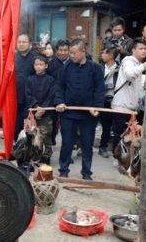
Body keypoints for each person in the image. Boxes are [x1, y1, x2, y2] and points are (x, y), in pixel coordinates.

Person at [55, 39, 105, 180]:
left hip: (88, 113)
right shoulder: (66, 68)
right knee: (66, 143)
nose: (71, 55)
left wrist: (97, 107)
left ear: (83, 52)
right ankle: (63, 171)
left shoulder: (95, 68)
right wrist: (59, 102)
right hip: (68, 112)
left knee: (87, 144)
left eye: (74, 53)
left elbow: (99, 90)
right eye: (70, 52)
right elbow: (59, 86)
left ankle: (86, 173)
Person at [111, 38, 146, 153]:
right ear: (133, 50)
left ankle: (125, 158)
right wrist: (145, 65)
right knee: (119, 132)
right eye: (141, 48)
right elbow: (130, 75)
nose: (144, 51)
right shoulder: (128, 61)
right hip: (121, 106)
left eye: (145, 49)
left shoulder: (139, 64)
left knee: (129, 133)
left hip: (131, 107)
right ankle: (117, 157)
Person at [25, 55, 55, 165]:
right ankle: (34, 156)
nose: (38, 67)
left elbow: (51, 95)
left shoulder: (51, 80)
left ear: (46, 66)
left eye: (41, 65)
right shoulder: (29, 79)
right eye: (36, 64)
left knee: (46, 135)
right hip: (33, 113)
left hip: (46, 113)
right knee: (32, 135)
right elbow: (28, 95)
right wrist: (36, 107)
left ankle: (46, 157)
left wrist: (43, 109)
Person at [15, 34, 39, 140]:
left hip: (32, 97)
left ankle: (31, 150)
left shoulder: (36, 57)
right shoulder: (13, 57)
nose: (21, 44)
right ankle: (17, 148)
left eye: (24, 42)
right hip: (16, 96)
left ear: (29, 44)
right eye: (19, 42)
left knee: (31, 126)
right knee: (16, 125)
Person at [47, 39, 70, 145]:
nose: (63, 52)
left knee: (67, 127)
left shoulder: (73, 63)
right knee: (52, 123)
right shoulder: (51, 65)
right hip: (53, 99)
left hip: (69, 99)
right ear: (56, 51)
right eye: (60, 50)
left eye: (65, 50)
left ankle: (67, 148)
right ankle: (51, 141)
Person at [98, 46, 119, 158]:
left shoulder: (120, 68)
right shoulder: (99, 67)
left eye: (104, 53)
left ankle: (103, 146)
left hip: (114, 100)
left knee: (108, 125)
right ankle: (83, 146)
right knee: (91, 124)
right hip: (99, 99)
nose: (102, 55)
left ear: (111, 55)